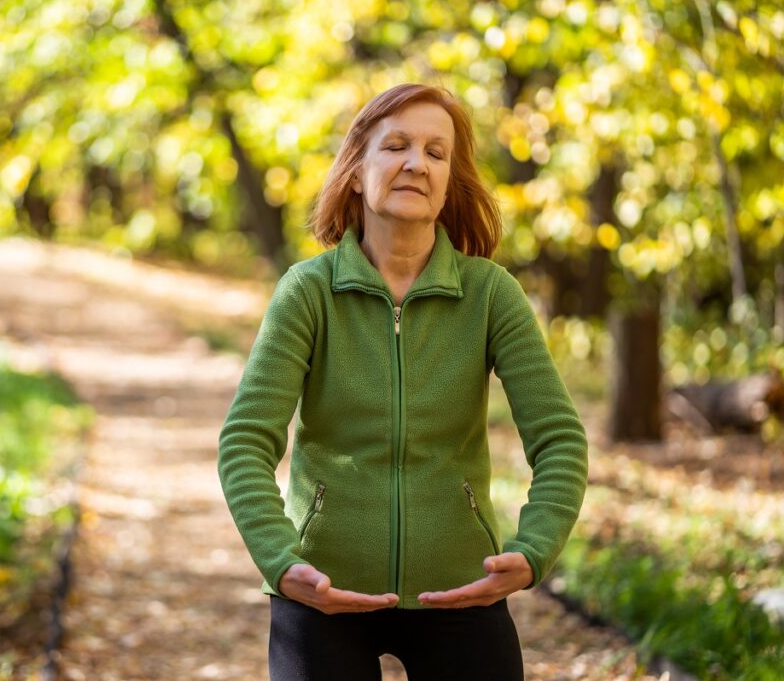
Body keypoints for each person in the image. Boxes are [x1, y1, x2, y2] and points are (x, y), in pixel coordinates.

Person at [217, 83, 588, 680]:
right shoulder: (307, 294)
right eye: (397, 146)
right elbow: (245, 442)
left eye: (436, 153)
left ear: (448, 183)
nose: (417, 162)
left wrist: (532, 549)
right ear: (358, 173)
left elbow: (559, 440)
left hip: (463, 590)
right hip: (321, 591)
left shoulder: (491, 296)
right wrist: (282, 562)